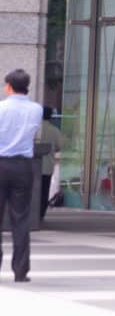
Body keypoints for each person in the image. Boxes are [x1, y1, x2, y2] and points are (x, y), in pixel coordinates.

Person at [0, 68, 43, 282]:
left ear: (8, 86)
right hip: (24, 166)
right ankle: (20, 271)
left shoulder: (1, 108)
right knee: (21, 218)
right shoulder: (36, 109)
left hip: (1, 162)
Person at [34, 115, 61, 228]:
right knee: (44, 191)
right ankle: (40, 214)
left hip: (33, 166)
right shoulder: (54, 130)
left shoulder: (35, 128)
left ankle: (32, 213)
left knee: (33, 191)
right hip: (47, 166)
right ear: (50, 117)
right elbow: (59, 146)